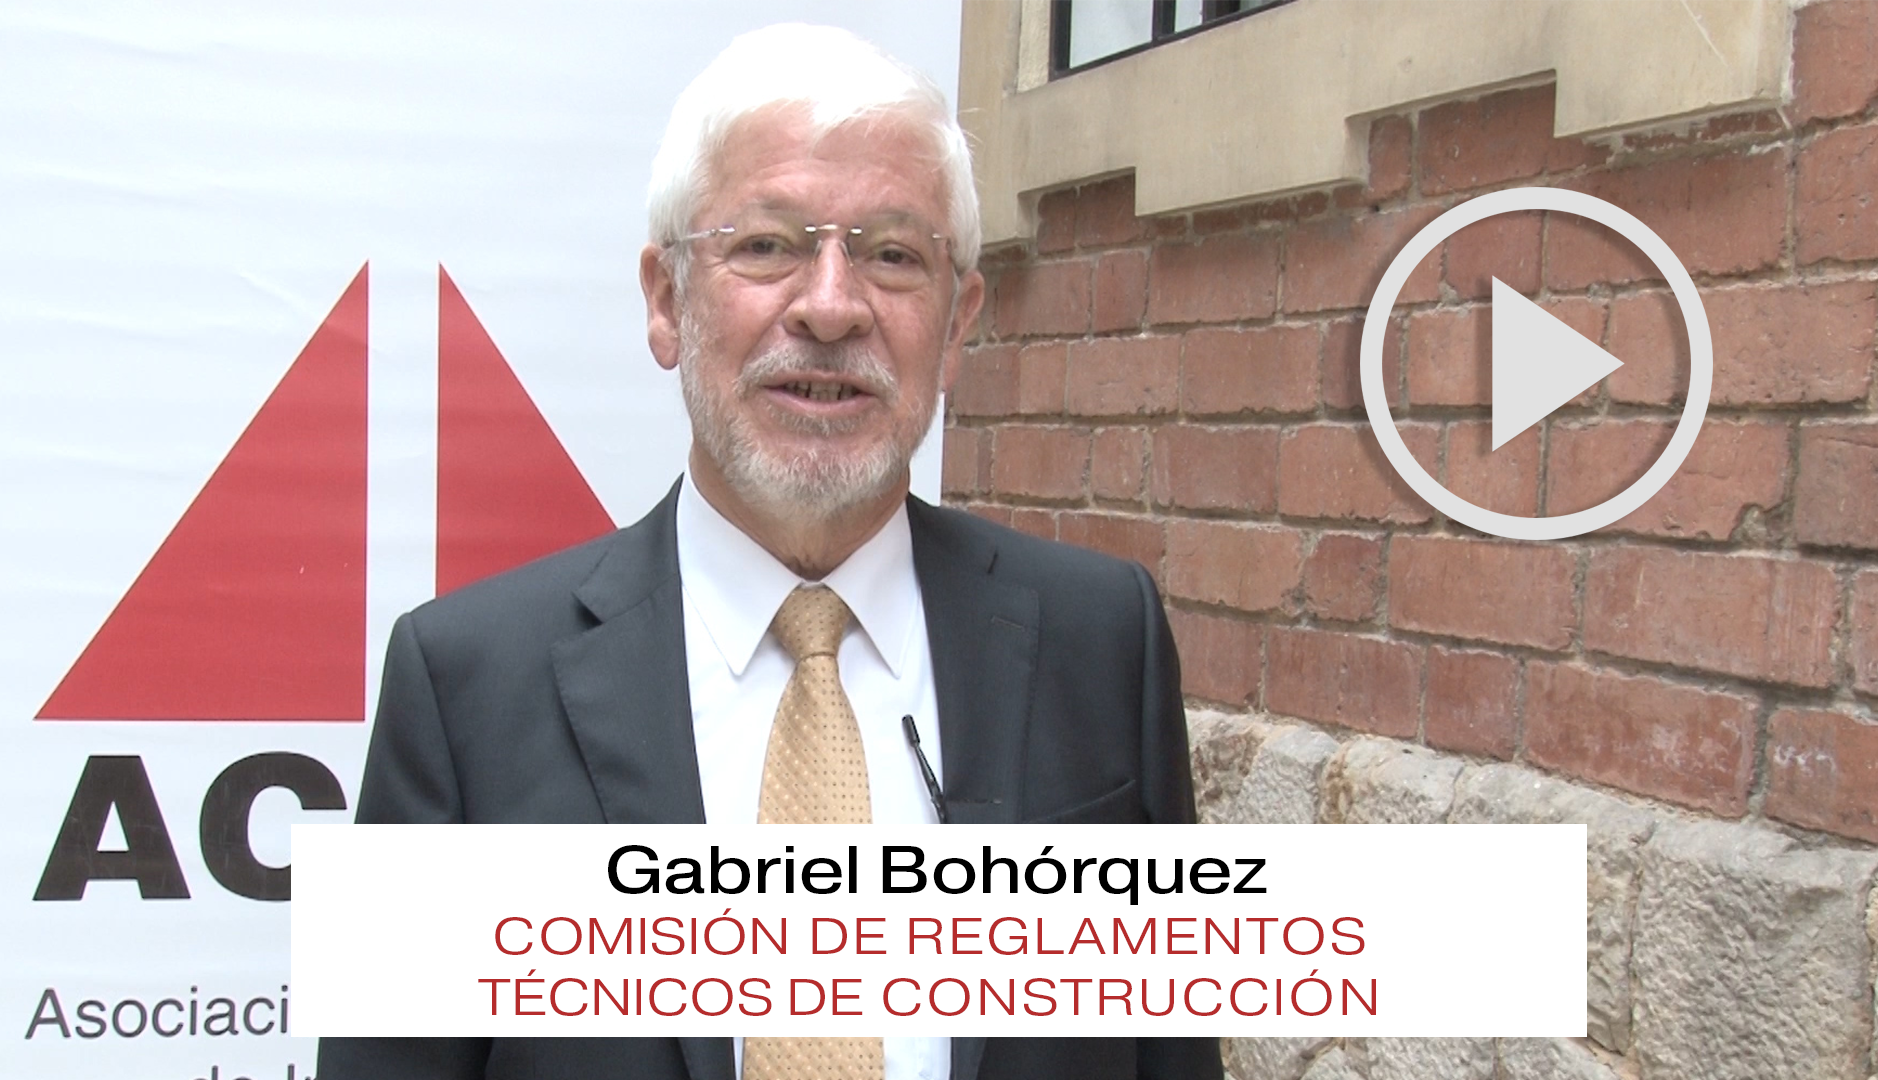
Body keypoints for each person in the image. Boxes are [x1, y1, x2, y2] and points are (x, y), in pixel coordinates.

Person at [316, 23, 1219, 1080]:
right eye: (766, 246)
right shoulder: (466, 687)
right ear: (667, 301)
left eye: (892, 255)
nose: (831, 308)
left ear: (957, 322)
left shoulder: (1100, 643)